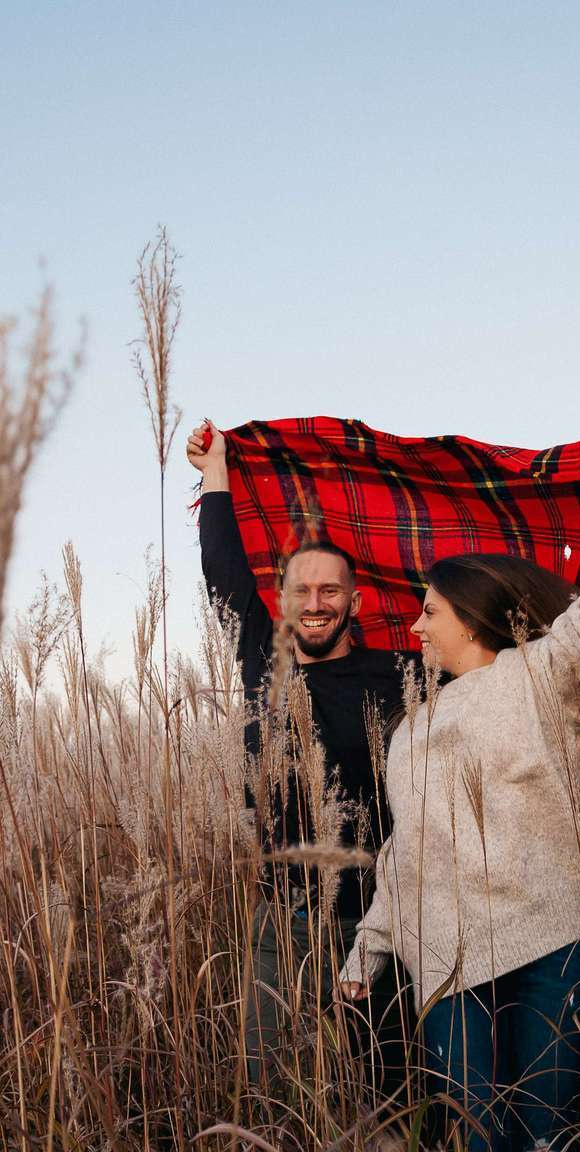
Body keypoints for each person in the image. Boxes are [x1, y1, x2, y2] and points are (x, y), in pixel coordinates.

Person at [337, 429, 580, 1152]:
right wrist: (370, 947)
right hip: (446, 963)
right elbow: (407, 850)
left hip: (548, 944)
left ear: (469, 613)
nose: (417, 626)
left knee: (546, 1150)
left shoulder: (547, 677)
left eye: (429, 611)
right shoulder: (411, 728)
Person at [187, 419, 418, 1089]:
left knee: (387, 1092)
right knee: (269, 1092)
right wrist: (217, 469)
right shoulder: (263, 656)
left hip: (374, 919)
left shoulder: (398, 672)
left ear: (356, 601)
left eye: (330, 592)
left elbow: (489, 644)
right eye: (302, 592)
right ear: (280, 599)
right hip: (279, 926)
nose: (315, 605)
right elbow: (222, 568)